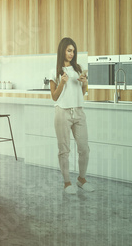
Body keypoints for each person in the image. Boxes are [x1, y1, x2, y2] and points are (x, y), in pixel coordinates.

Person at [49, 37, 94, 193]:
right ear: (63, 51)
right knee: (64, 150)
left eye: (73, 51)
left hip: (79, 111)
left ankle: (82, 179)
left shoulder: (78, 69)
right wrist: (62, 82)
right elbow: (54, 97)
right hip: (62, 112)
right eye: (69, 50)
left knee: (84, 149)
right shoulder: (54, 71)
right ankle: (67, 183)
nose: (71, 53)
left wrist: (85, 83)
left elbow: (82, 93)